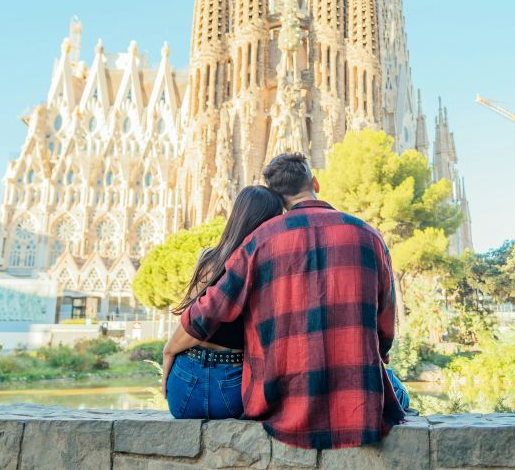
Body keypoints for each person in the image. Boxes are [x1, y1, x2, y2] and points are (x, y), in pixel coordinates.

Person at [162, 153, 406, 450]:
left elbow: (208, 311)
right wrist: (376, 355)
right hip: (359, 399)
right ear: (315, 182)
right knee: (398, 392)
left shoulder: (260, 241)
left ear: (276, 198)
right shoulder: (369, 235)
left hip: (287, 404)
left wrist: (169, 350)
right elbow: (385, 319)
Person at [163, 185, 283, 419]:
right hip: (233, 389)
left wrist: (169, 352)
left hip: (183, 386)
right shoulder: (268, 268)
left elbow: (196, 320)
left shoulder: (209, 259)